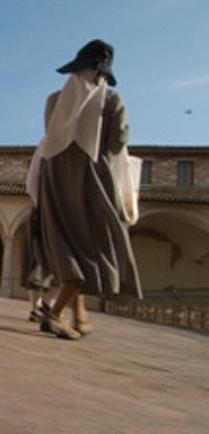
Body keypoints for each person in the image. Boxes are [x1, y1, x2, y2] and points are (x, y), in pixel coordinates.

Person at [27, 39, 142, 340]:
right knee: (99, 244)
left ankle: (78, 315)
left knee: (66, 244)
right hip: (92, 178)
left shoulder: (54, 101)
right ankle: (54, 314)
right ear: (102, 73)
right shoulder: (112, 100)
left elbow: (51, 135)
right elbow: (118, 141)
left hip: (53, 180)